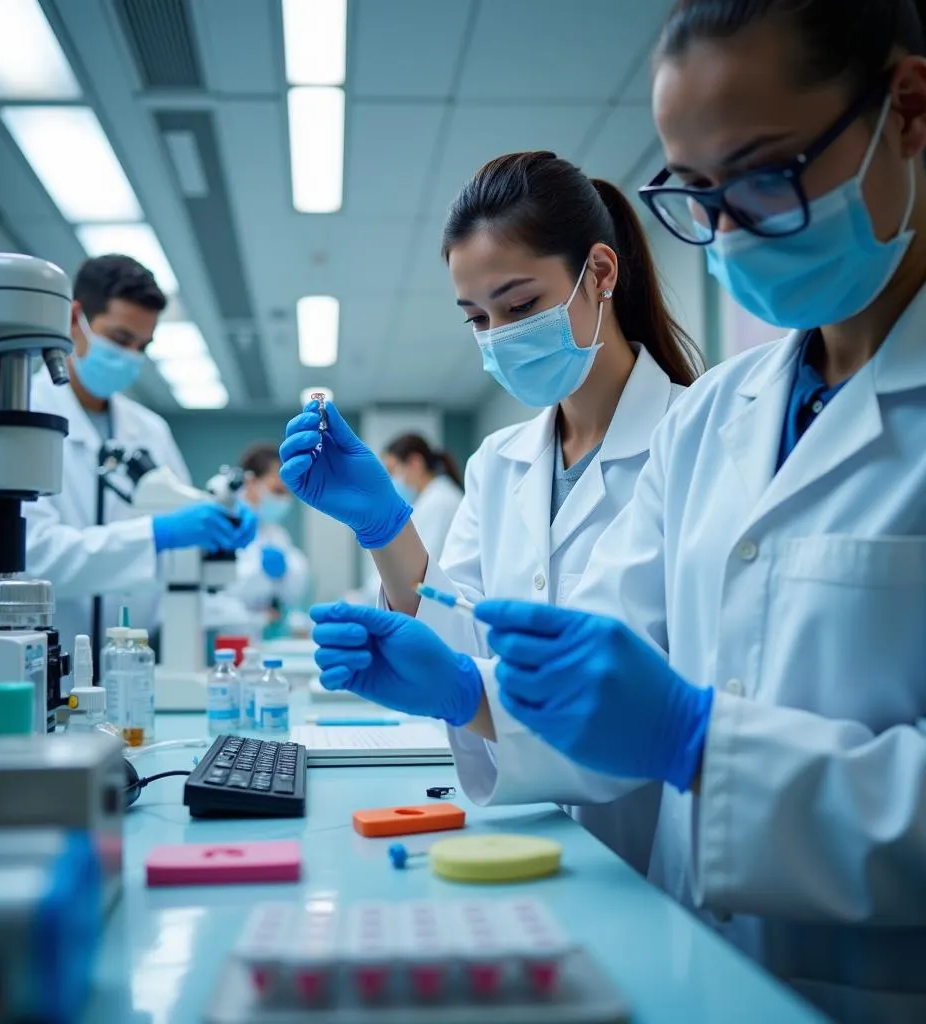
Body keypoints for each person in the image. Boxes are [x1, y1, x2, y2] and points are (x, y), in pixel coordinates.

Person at [308, 1, 926, 1019]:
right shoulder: (719, 420)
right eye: (697, 194)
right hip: (682, 957)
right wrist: (468, 685)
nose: (725, 230)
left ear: (906, 109)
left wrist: (694, 740)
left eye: (763, 173)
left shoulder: (674, 419)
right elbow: (618, 676)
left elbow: (669, 717)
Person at [282, 152, 702, 872]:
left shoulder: (692, 437)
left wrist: (462, 688)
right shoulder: (500, 461)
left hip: (651, 851)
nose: (499, 335)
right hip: (531, 833)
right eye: (478, 317)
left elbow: (626, 679)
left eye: (520, 305)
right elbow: (463, 628)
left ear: (600, 273)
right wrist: (383, 526)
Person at [23, 254, 257, 659]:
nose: (131, 356)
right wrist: (157, 534)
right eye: (119, 339)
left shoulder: (149, 430)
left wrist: (219, 526)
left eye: (142, 346)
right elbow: (34, 557)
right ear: (75, 318)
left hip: (132, 667)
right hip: (43, 661)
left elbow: (182, 541)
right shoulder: (22, 413)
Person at [205, 442, 310, 626]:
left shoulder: (275, 533)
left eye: (288, 492)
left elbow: (292, 592)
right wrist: (256, 616)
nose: (284, 499)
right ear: (251, 482)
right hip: (224, 637)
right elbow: (213, 597)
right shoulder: (222, 524)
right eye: (277, 490)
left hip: (259, 639)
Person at [383, 433, 464, 563]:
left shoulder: (440, 501)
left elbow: (425, 562)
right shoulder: (430, 498)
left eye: (393, 470)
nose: (392, 479)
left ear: (415, 463)